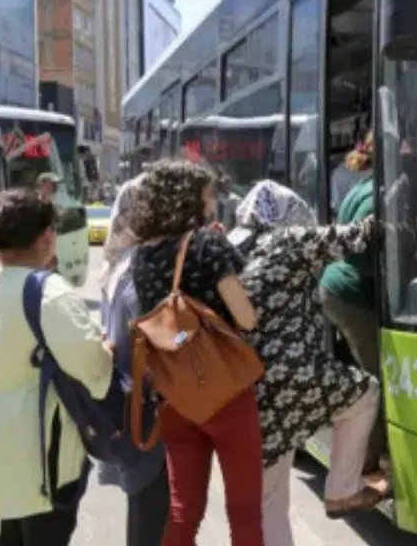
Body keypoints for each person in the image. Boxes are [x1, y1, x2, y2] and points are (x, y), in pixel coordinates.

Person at [229, 181, 387, 541]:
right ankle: (342, 490)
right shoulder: (288, 241)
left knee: (269, 504)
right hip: (291, 379)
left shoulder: (237, 247)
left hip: (246, 387)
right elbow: (358, 237)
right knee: (365, 391)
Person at [0, 189, 114, 545]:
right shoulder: (48, 291)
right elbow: (93, 370)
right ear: (46, 236)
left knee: (12, 536)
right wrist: (105, 348)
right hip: (41, 450)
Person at [129, 160, 262, 546]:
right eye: (207, 196)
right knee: (244, 511)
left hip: (176, 395)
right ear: (189, 200)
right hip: (226, 392)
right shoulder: (208, 243)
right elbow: (246, 318)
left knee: (183, 511)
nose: (212, 204)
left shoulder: (143, 253)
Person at [94, 175, 170, 546]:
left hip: (126, 402)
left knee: (144, 510)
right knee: (152, 514)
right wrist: (191, 335)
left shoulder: (116, 260)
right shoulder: (141, 266)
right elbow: (159, 337)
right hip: (147, 409)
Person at [319, 130, 386, 482]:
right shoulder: (382, 192)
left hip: (337, 288)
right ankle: (366, 462)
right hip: (351, 292)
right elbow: (366, 251)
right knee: (380, 380)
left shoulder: (364, 185)